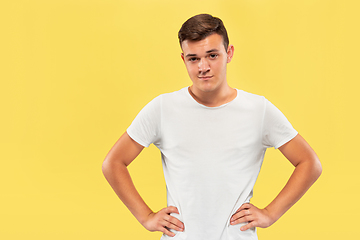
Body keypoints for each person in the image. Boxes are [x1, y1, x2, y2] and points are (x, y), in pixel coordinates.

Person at [102, 14, 322, 240]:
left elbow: (309, 163)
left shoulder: (258, 110)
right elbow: (113, 163)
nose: (203, 67)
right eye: (193, 59)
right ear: (183, 59)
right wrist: (146, 217)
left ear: (229, 54)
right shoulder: (163, 108)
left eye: (212, 55)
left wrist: (270, 214)